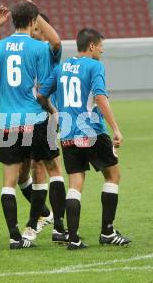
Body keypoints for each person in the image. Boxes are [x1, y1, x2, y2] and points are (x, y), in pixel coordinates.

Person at [37, 28, 131, 250]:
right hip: (91, 132)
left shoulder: (61, 68)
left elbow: (41, 94)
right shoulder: (95, 66)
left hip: (68, 134)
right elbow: (99, 97)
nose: (102, 50)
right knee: (113, 176)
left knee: (75, 184)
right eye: (100, 46)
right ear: (91, 45)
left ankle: (73, 238)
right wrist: (116, 129)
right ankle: (107, 232)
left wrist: (55, 112)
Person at [0, 0, 61, 249]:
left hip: (8, 121)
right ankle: (33, 227)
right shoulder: (38, 48)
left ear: (12, 20)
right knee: (43, 173)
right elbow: (56, 44)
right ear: (33, 21)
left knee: (9, 182)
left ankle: (14, 236)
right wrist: (38, 11)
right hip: (35, 118)